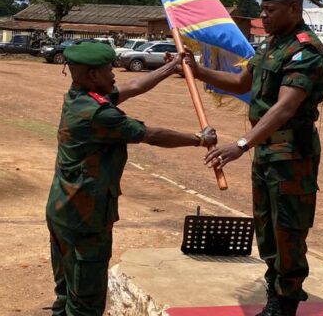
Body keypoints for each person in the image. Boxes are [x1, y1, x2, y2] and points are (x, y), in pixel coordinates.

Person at [185, 0, 323, 316]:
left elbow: (285, 107)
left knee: (288, 229)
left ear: (294, 9)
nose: (263, 16)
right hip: (267, 151)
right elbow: (241, 83)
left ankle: (286, 301)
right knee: (266, 225)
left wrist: (241, 144)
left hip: (292, 154)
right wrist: (196, 70)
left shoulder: (304, 51)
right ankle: (273, 291)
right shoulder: (272, 46)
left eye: (271, 10)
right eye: (262, 9)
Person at [46, 42, 217, 316]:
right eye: (108, 69)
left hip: (62, 209)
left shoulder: (79, 97)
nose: (114, 74)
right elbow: (152, 135)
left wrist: (171, 66)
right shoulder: (100, 114)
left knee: (66, 291)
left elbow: (135, 86)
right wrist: (199, 139)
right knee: (86, 303)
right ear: (92, 76)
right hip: (86, 217)